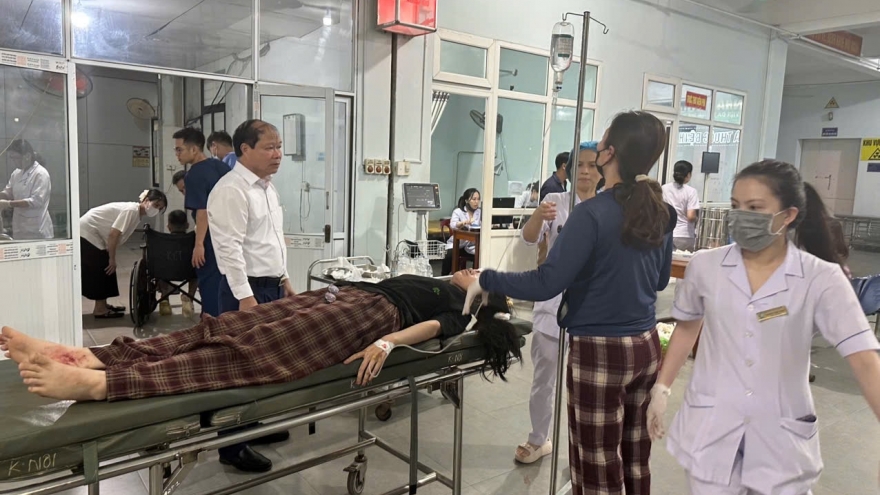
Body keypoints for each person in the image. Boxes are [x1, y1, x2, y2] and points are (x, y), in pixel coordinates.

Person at [464, 111, 676, 494]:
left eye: (602, 143)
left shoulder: (591, 215)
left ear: (609, 154)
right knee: (634, 458)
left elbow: (547, 282)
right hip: (645, 347)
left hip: (601, 351)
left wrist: (486, 279)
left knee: (596, 465)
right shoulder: (661, 211)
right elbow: (660, 281)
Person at [647, 160, 880, 495]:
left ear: (787, 215)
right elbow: (687, 328)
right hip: (711, 428)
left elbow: (864, 358)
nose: (742, 216)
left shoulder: (820, 278)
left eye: (755, 208)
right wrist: (662, 387)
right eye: (736, 206)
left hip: (781, 437)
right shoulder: (706, 266)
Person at [2, 271, 521, 402]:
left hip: (365, 320)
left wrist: (388, 342)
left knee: (242, 353)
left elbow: (434, 329)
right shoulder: (440, 282)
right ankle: (91, 356)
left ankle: (101, 385)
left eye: (477, 274)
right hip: (340, 298)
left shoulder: (461, 309)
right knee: (226, 325)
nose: (468, 270)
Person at [514, 141, 601, 464]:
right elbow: (529, 239)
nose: (585, 172)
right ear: (569, 169)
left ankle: (587, 448)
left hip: (593, 309)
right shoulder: (555, 201)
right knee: (544, 378)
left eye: (592, 165)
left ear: (602, 170)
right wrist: (538, 216)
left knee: (589, 385)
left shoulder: (607, 208)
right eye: (579, 165)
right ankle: (539, 439)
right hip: (552, 304)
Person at [208, 120, 295, 313]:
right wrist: (245, 296)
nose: (278, 154)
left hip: (274, 288)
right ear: (245, 149)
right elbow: (229, 248)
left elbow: (272, 238)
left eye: (279, 147)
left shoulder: (267, 187)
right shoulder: (231, 189)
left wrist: (284, 278)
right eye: (269, 148)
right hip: (248, 291)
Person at [79, 190, 168, 318]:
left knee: (107, 268)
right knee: (103, 267)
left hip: (92, 233)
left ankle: (103, 305)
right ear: (146, 200)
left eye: (159, 208)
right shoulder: (131, 211)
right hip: (87, 233)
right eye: (156, 205)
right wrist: (112, 258)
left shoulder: (136, 213)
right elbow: (113, 234)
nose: (156, 209)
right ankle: (100, 309)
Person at [174, 127, 230, 317]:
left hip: (211, 238)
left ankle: (211, 325)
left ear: (194, 149)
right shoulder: (221, 167)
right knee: (228, 284)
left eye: (180, 150)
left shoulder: (194, 174)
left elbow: (203, 211)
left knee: (210, 285)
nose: (177, 154)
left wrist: (199, 245)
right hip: (230, 236)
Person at [0, 139, 54, 240]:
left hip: (37, 230)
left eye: (16, 158)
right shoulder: (16, 173)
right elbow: (8, 192)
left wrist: (8, 204)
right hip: (19, 228)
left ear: (27, 156)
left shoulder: (40, 174)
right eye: (11, 158)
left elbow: (36, 201)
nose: (13, 161)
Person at [156, 210, 198, 318]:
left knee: (160, 266)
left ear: (168, 226)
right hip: (189, 272)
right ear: (187, 225)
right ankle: (189, 297)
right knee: (196, 270)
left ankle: (164, 298)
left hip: (165, 273)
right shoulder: (194, 239)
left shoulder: (160, 241)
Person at [662, 160, 701, 252]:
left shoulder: (664, 188)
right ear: (688, 175)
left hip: (667, 232)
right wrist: (697, 219)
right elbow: (690, 216)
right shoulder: (691, 191)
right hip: (684, 235)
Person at [441, 188, 482, 275]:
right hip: (458, 244)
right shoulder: (458, 211)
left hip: (472, 245)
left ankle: (476, 276)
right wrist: (464, 223)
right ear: (467, 200)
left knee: (481, 255)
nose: (476, 202)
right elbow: (453, 225)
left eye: (478, 199)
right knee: (450, 255)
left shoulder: (480, 212)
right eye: (474, 199)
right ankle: (443, 277)